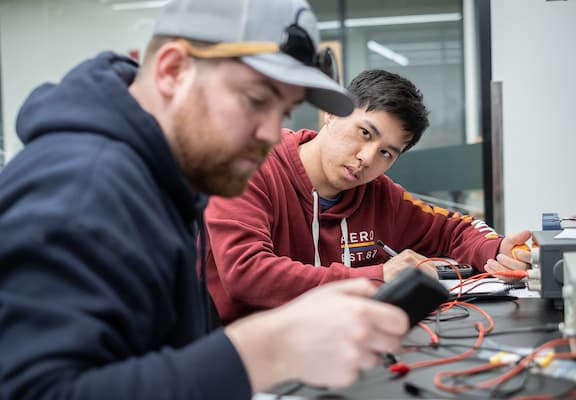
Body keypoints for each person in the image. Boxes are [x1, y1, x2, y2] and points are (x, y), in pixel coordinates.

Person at [0, 1, 412, 399]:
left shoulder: (164, 181)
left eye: (284, 112)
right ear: (173, 70)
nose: (271, 134)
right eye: (256, 100)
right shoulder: (84, 185)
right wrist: (266, 350)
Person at [204, 69, 532, 324]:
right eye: (365, 133)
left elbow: (452, 228)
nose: (367, 158)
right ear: (330, 113)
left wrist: (500, 248)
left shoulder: (378, 195)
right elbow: (246, 272)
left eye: (387, 153)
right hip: (252, 358)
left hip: (343, 345)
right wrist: (378, 276)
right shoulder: (250, 168)